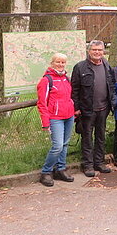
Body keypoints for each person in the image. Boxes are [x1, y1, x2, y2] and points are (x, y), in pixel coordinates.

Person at [71, 40, 116, 177]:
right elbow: (74, 90)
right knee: (87, 138)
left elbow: (111, 85)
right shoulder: (80, 67)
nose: (97, 52)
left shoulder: (106, 65)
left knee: (100, 137)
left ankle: (99, 162)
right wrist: (76, 108)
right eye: (94, 50)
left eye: (100, 50)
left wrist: (112, 103)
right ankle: (88, 165)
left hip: (103, 108)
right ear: (89, 51)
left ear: (103, 51)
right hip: (87, 109)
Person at [36, 53, 75, 186]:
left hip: (69, 116)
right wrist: (45, 122)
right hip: (55, 117)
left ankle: (60, 169)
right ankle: (46, 172)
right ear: (52, 63)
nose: (60, 65)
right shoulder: (46, 80)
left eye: (63, 62)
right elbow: (42, 103)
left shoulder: (66, 78)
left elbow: (69, 97)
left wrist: (73, 112)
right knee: (57, 146)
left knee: (65, 144)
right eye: (58, 62)